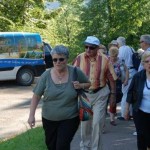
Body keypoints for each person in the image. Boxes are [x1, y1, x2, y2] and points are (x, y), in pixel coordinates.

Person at [28, 45, 91, 150]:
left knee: (62, 146)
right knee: (51, 146)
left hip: (70, 118)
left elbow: (88, 84)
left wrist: (80, 85)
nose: (58, 62)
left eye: (61, 59)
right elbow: (36, 96)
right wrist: (31, 115)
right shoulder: (46, 76)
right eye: (55, 59)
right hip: (49, 119)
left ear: (67, 59)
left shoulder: (75, 72)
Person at [73, 36, 117, 150]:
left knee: (97, 123)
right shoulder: (79, 58)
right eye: (86, 47)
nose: (88, 50)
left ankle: (96, 148)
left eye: (91, 47)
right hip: (85, 95)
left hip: (100, 94)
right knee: (85, 124)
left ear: (97, 48)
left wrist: (113, 95)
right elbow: (72, 76)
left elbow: (111, 77)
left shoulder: (105, 59)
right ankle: (85, 146)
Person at [124, 51, 150, 150]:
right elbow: (130, 93)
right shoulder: (138, 76)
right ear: (143, 64)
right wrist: (126, 110)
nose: (149, 64)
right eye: (147, 62)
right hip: (140, 112)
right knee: (141, 137)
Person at [116, 36, 137, 120]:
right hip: (134, 71)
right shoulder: (131, 48)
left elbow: (120, 64)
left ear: (118, 43)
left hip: (127, 73)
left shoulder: (120, 50)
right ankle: (131, 113)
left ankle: (124, 114)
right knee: (131, 93)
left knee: (125, 93)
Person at [108, 47, 129, 125]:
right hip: (108, 82)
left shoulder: (120, 60)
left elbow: (126, 70)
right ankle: (112, 119)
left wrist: (126, 79)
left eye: (115, 56)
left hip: (118, 82)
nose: (113, 58)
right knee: (110, 100)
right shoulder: (106, 60)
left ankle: (112, 112)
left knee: (116, 98)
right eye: (112, 56)